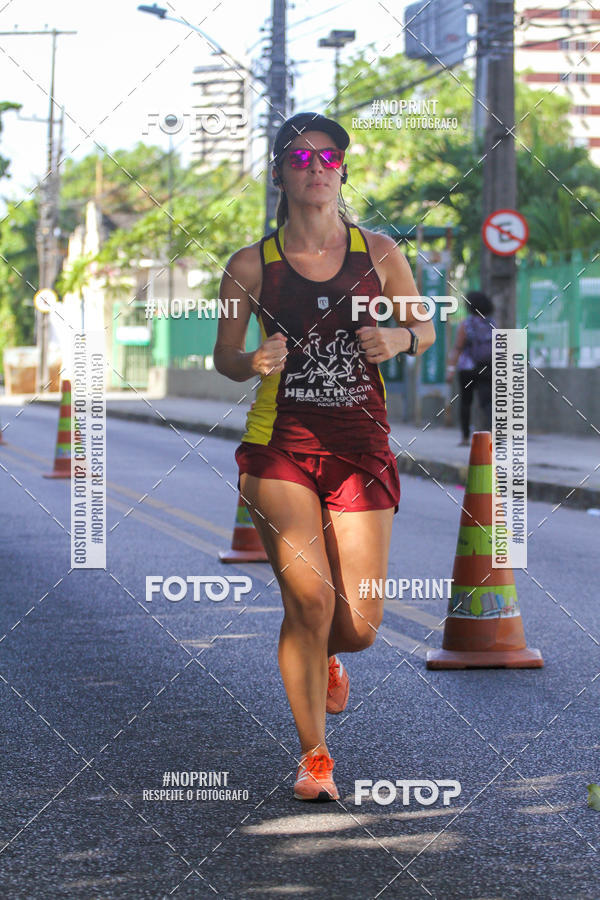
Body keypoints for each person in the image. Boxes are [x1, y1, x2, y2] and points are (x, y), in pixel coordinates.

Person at [214, 112, 435, 802]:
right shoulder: (252, 265)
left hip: (360, 445)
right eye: (300, 157)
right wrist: (251, 359)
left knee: (359, 625)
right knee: (307, 601)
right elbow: (222, 357)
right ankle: (315, 757)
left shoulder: (380, 252)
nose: (315, 167)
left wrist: (400, 342)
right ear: (279, 172)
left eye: (328, 158)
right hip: (278, 444)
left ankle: (334, 661)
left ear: (342, 169)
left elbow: (423, 322)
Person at [446, 290, 495, 446]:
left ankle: (466, 437)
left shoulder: (466, 324)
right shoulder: (492, 324)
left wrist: (451, 369)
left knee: (466, 402)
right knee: (487, 402)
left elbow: (458, 347)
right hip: (487, 367)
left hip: (467, 369)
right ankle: (494, 435)